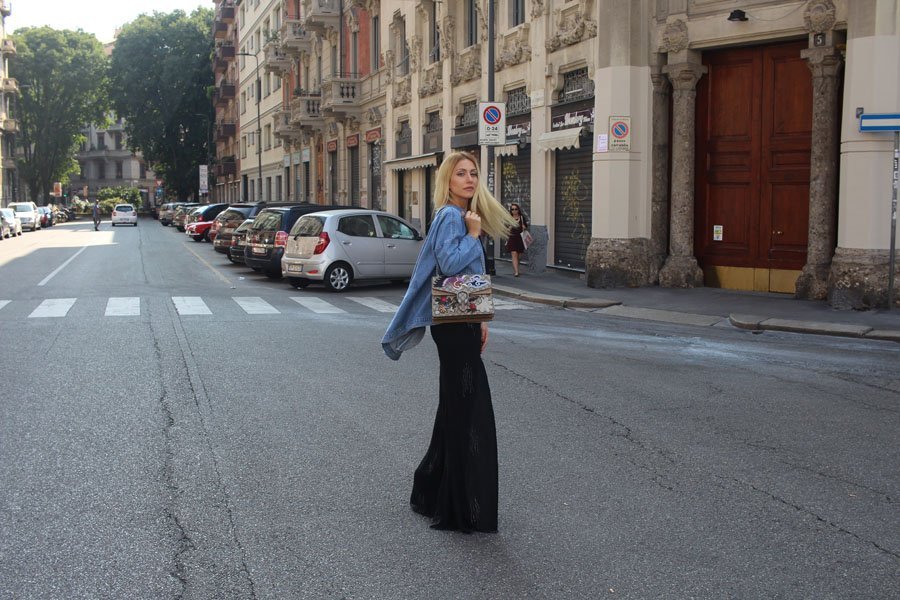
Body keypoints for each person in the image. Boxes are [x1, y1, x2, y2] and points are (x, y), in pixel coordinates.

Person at [382, 151, 516, 533]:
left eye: (473, 173)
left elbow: (470, 274)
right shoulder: (450, 216)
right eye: (461, 173)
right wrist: (473, 236)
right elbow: (451, 263)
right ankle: (460, 505)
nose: (469, 179)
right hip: (454, 328)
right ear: (448, 180)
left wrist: (481, 319)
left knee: (455, 409)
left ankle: (431, 490)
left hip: (462, 321)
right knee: (469, 412)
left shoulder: (461, 214)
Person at [504, 203, 529, 277]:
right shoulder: (509, 218)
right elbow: (506, 229)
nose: (514, 211)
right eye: (512, 209)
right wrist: (510, 227)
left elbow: (525, 226)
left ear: (518, 210)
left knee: (519, 256)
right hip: (512, 238)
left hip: (520, 238)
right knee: (514, 254)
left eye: (515, 209)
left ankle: (517, 267)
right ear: (511, 210)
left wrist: (524, 227)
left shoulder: (521, 218)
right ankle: (516, 272)